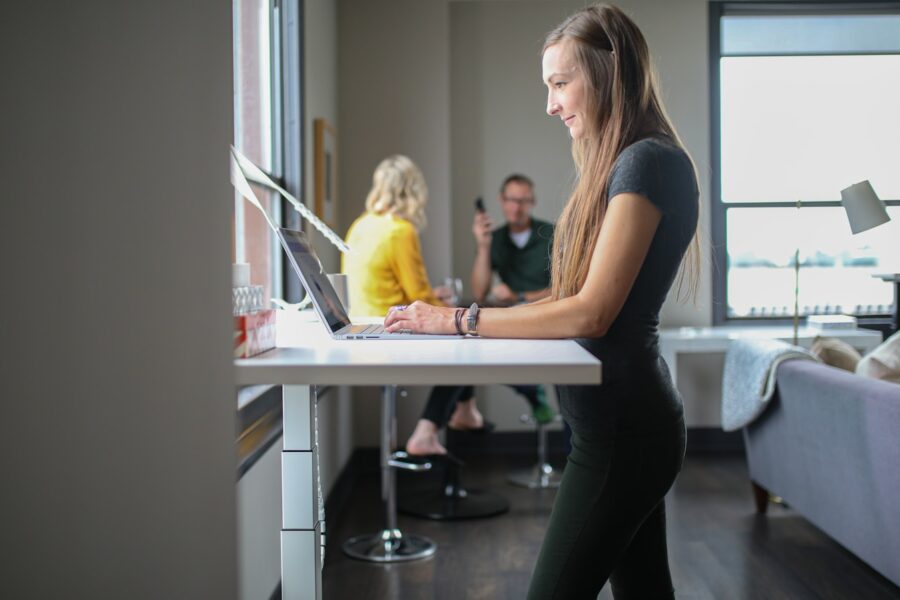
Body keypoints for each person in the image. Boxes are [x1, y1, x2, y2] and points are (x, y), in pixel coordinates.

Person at [384, 4, 701, 598]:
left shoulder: (647, 162)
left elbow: (591, 313)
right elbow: (570, 297)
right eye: (548, 86)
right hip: (615, 427)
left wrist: (455, 320)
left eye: (561, 83)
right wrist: (453, 322)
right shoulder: (630, 163)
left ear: (610, 74)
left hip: (624, 432)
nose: (551, 104)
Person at [342, 155, 488, 448]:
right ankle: (429, 429)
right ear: (413, 191)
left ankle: (464, 410)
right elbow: (419, 296)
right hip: (391, 329)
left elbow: (385, 285)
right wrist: (441, 302)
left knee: (458, 322)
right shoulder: (400, 230)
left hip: (360, 324)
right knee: (467, 332)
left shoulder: (360, 225)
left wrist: (434, 298)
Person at [471, 174, 554, 306]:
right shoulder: (495, 238)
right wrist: (483, 246)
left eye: (523, 201)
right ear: (501, 200)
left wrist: (519, 297)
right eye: (511, 200)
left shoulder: (552, 234)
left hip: (547, 310)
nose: (516, 208)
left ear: (533, 202)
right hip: (510, 314)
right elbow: (479, 293)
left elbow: (567, 289)